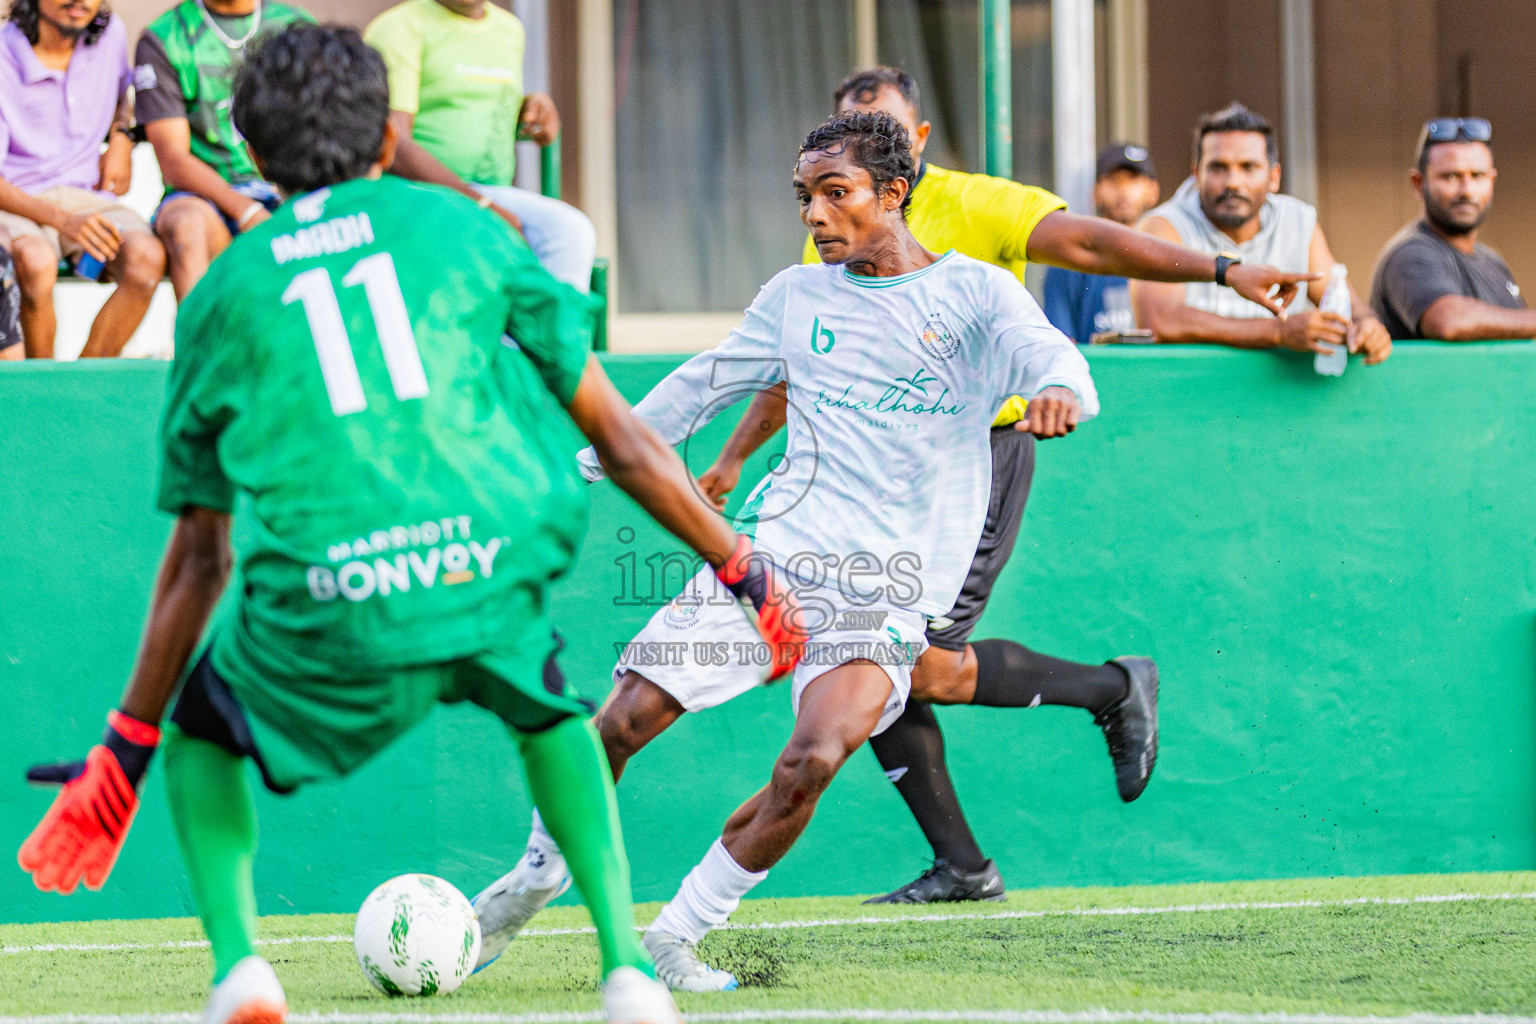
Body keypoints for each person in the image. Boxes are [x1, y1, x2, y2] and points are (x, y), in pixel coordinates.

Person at [15, 24, 806, 1024]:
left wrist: (126, 739)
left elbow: (201, 554)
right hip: (486, 559)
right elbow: (623, 439)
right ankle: (625, 969)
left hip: (327, 593)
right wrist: (742, 569)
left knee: (201, 738)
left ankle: (242, 971)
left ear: (253, 159)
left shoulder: (222, 295)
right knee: (549, 710)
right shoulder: (472, 234)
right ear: (387, 144)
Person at [476, 108, 1100, 992]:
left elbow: (1051, 355)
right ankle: (537, 874)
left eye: (834, 194)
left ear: (894, 193)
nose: (813, 214)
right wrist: (589, 461)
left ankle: (678, 936)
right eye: (804, 197)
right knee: (618, 726)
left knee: (811, 759)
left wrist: (1061, 393)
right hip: (777, 560)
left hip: (888, 589)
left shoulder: (974, 295)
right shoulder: (797, 294)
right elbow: (706, 383)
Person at [689, 68, 1316, 907]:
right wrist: (731, 460)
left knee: (901, 662)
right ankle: (968, 862)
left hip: (972, 462)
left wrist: (1222, 267)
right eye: (845, 128)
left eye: (882, 125)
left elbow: (1093, 244)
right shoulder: (832, 221)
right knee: (874, 658)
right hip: (874, 475)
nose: (854, 150)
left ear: (914, 146)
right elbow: (800, 357)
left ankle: (1106, 694)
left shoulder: (976, 204)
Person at [1133, 102, 1392, 364]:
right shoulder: (1162, 226)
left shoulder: (1298, 222)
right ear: (1196, 174)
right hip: (1186, 396)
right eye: (1218, 168)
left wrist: (1367, 327)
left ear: (1274, 177)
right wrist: (1278, 332)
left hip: (1282, 400)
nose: (1233, 182)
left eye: (1248, 167)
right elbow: (1160, 320)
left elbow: (1352, 308)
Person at [365, 0, 596, 292]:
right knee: (563, 231)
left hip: (491, 192)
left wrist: (531, 107)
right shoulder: (400, 27)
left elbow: (478, 105)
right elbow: (393, 143)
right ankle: (542, 336)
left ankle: (543, 337)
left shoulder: (509, 30)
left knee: (569, 233)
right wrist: (483, 207)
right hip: (418, 194)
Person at [0, 0, 165, 358]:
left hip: (82, 195)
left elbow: (123, 90)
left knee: (147, 259)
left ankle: (81, 382)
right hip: (15, 196)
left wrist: (121, 137)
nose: (81, 2)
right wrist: (64, 221)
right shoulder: (2, 55)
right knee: (36, 263)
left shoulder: (111, 34)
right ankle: (41, 389)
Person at [134, 0, 313, 299]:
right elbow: (173, 159)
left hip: (285, 190)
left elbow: (318, 130)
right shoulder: (166, 35)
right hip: (203, 196)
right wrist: (247, 210)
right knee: (184, 225)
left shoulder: (297, 26)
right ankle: (200, 344)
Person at [1369, 118, 1534, 341]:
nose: (1467, 190)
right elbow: (1448, 321)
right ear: (1418, 183)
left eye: (1477, 176)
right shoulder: (1410, 254)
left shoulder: (1492, 261)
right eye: (1451, 176)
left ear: (1492, 180)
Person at [1042, 143, 1161, 344]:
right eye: (1113, 180)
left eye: (1133, 180)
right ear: (1095, 192)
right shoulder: (1068, 260)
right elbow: (1061, 346)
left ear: (1153, 190)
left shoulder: (1169, 257)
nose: (1123, 191)